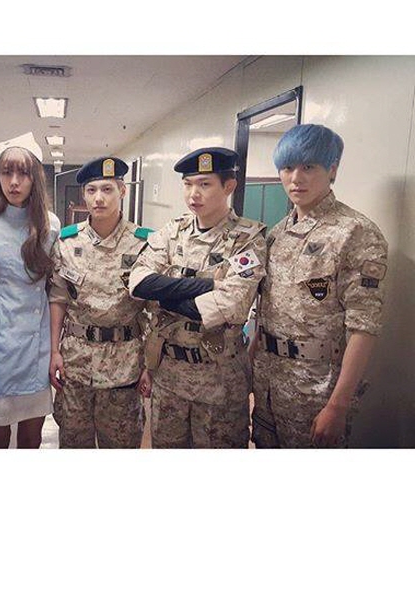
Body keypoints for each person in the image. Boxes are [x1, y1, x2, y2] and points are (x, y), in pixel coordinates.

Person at [251, 124, 388, 448]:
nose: (296, 178)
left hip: (316, 391)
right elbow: (268, 309)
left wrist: (337, 406)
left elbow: (364, 326)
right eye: (288, 168)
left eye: (309, 167)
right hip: (268, 382)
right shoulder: (277, 233)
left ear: (332, 170)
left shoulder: (355, 233)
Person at [129, 147, 266, 448]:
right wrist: (207, 286)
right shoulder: (172, 232)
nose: (194, 194)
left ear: (229, 186)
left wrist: (163, 294)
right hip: (169, 376)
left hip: (219, 382)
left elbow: (230, 305)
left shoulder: (248, 239)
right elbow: (138, 283)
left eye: (205, 184)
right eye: (188, 184)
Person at [48, 156, 150, 448]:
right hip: (76, 364)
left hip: (125, 366)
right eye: (91, 190)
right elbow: (58, 300)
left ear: (122, 191)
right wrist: (54, 351)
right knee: (73, 443)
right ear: (84, 194)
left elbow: (155, 311)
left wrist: (150, 365)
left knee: (120, 446)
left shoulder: (144, 243)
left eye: (107, 189)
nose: (99, 198)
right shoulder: (67, 242)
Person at [0, 133, 60, 448]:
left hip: (36, 344)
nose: (14, 182)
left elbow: (55, 289)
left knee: (31, 436)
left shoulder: (50, 226)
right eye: (6, 172)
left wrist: (55, 348)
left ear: (35, 178)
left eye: (23, 173)